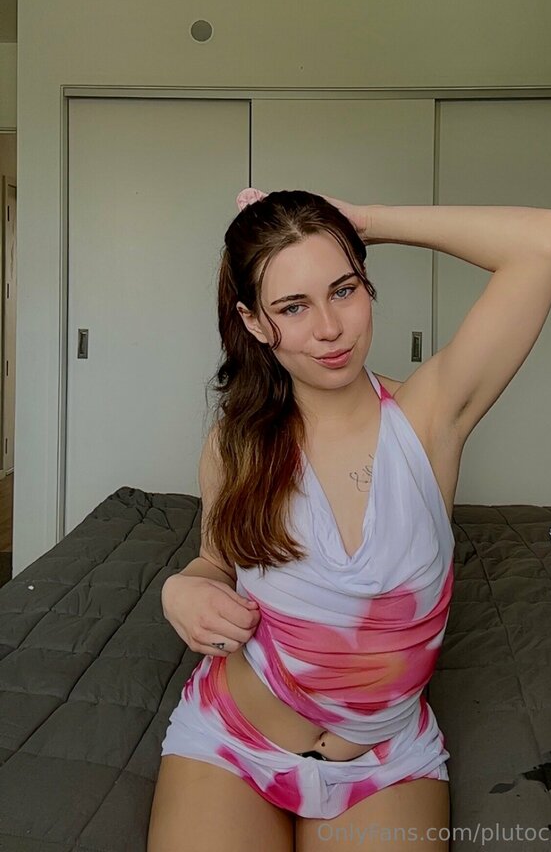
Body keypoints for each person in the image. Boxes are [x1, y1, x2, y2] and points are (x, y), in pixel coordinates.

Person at [147, 188, 456, 851]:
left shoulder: (428, 420)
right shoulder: (236, 443)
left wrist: (362, 221)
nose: (329, 328)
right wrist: (182, 587)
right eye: (293, 306)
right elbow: (216, 560)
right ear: (254, 322)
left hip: (383, 762)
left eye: (344, 290)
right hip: (230, 741)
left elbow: (543, 243)